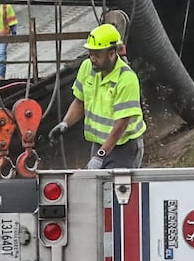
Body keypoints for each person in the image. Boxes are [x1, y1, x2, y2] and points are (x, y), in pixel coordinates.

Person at [49, 22, 146, 169]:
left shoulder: (126, 79)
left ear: (112, 54)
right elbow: (79, 102)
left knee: (117, 191)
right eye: (91, 53)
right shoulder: (87, 67)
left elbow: (122, 124)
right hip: (99, 143)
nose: (93, 58)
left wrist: (101, 155)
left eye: (98, 54)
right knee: (98, 190)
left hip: (123, 148)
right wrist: (65, 123)